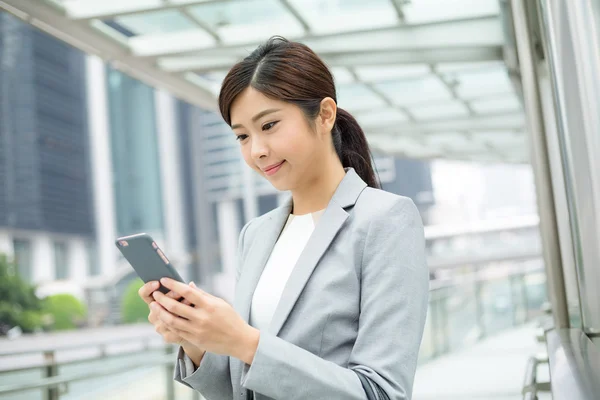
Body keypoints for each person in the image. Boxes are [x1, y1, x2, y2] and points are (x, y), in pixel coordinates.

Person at [138, 36, 429, 400]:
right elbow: (237, 390)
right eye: (242, 136)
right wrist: (198, 341)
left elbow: (382, 393)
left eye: (270, 125)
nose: (257, 150)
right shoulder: (256, 235)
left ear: (324, 114)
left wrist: (244, 342)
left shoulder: (385, 220)